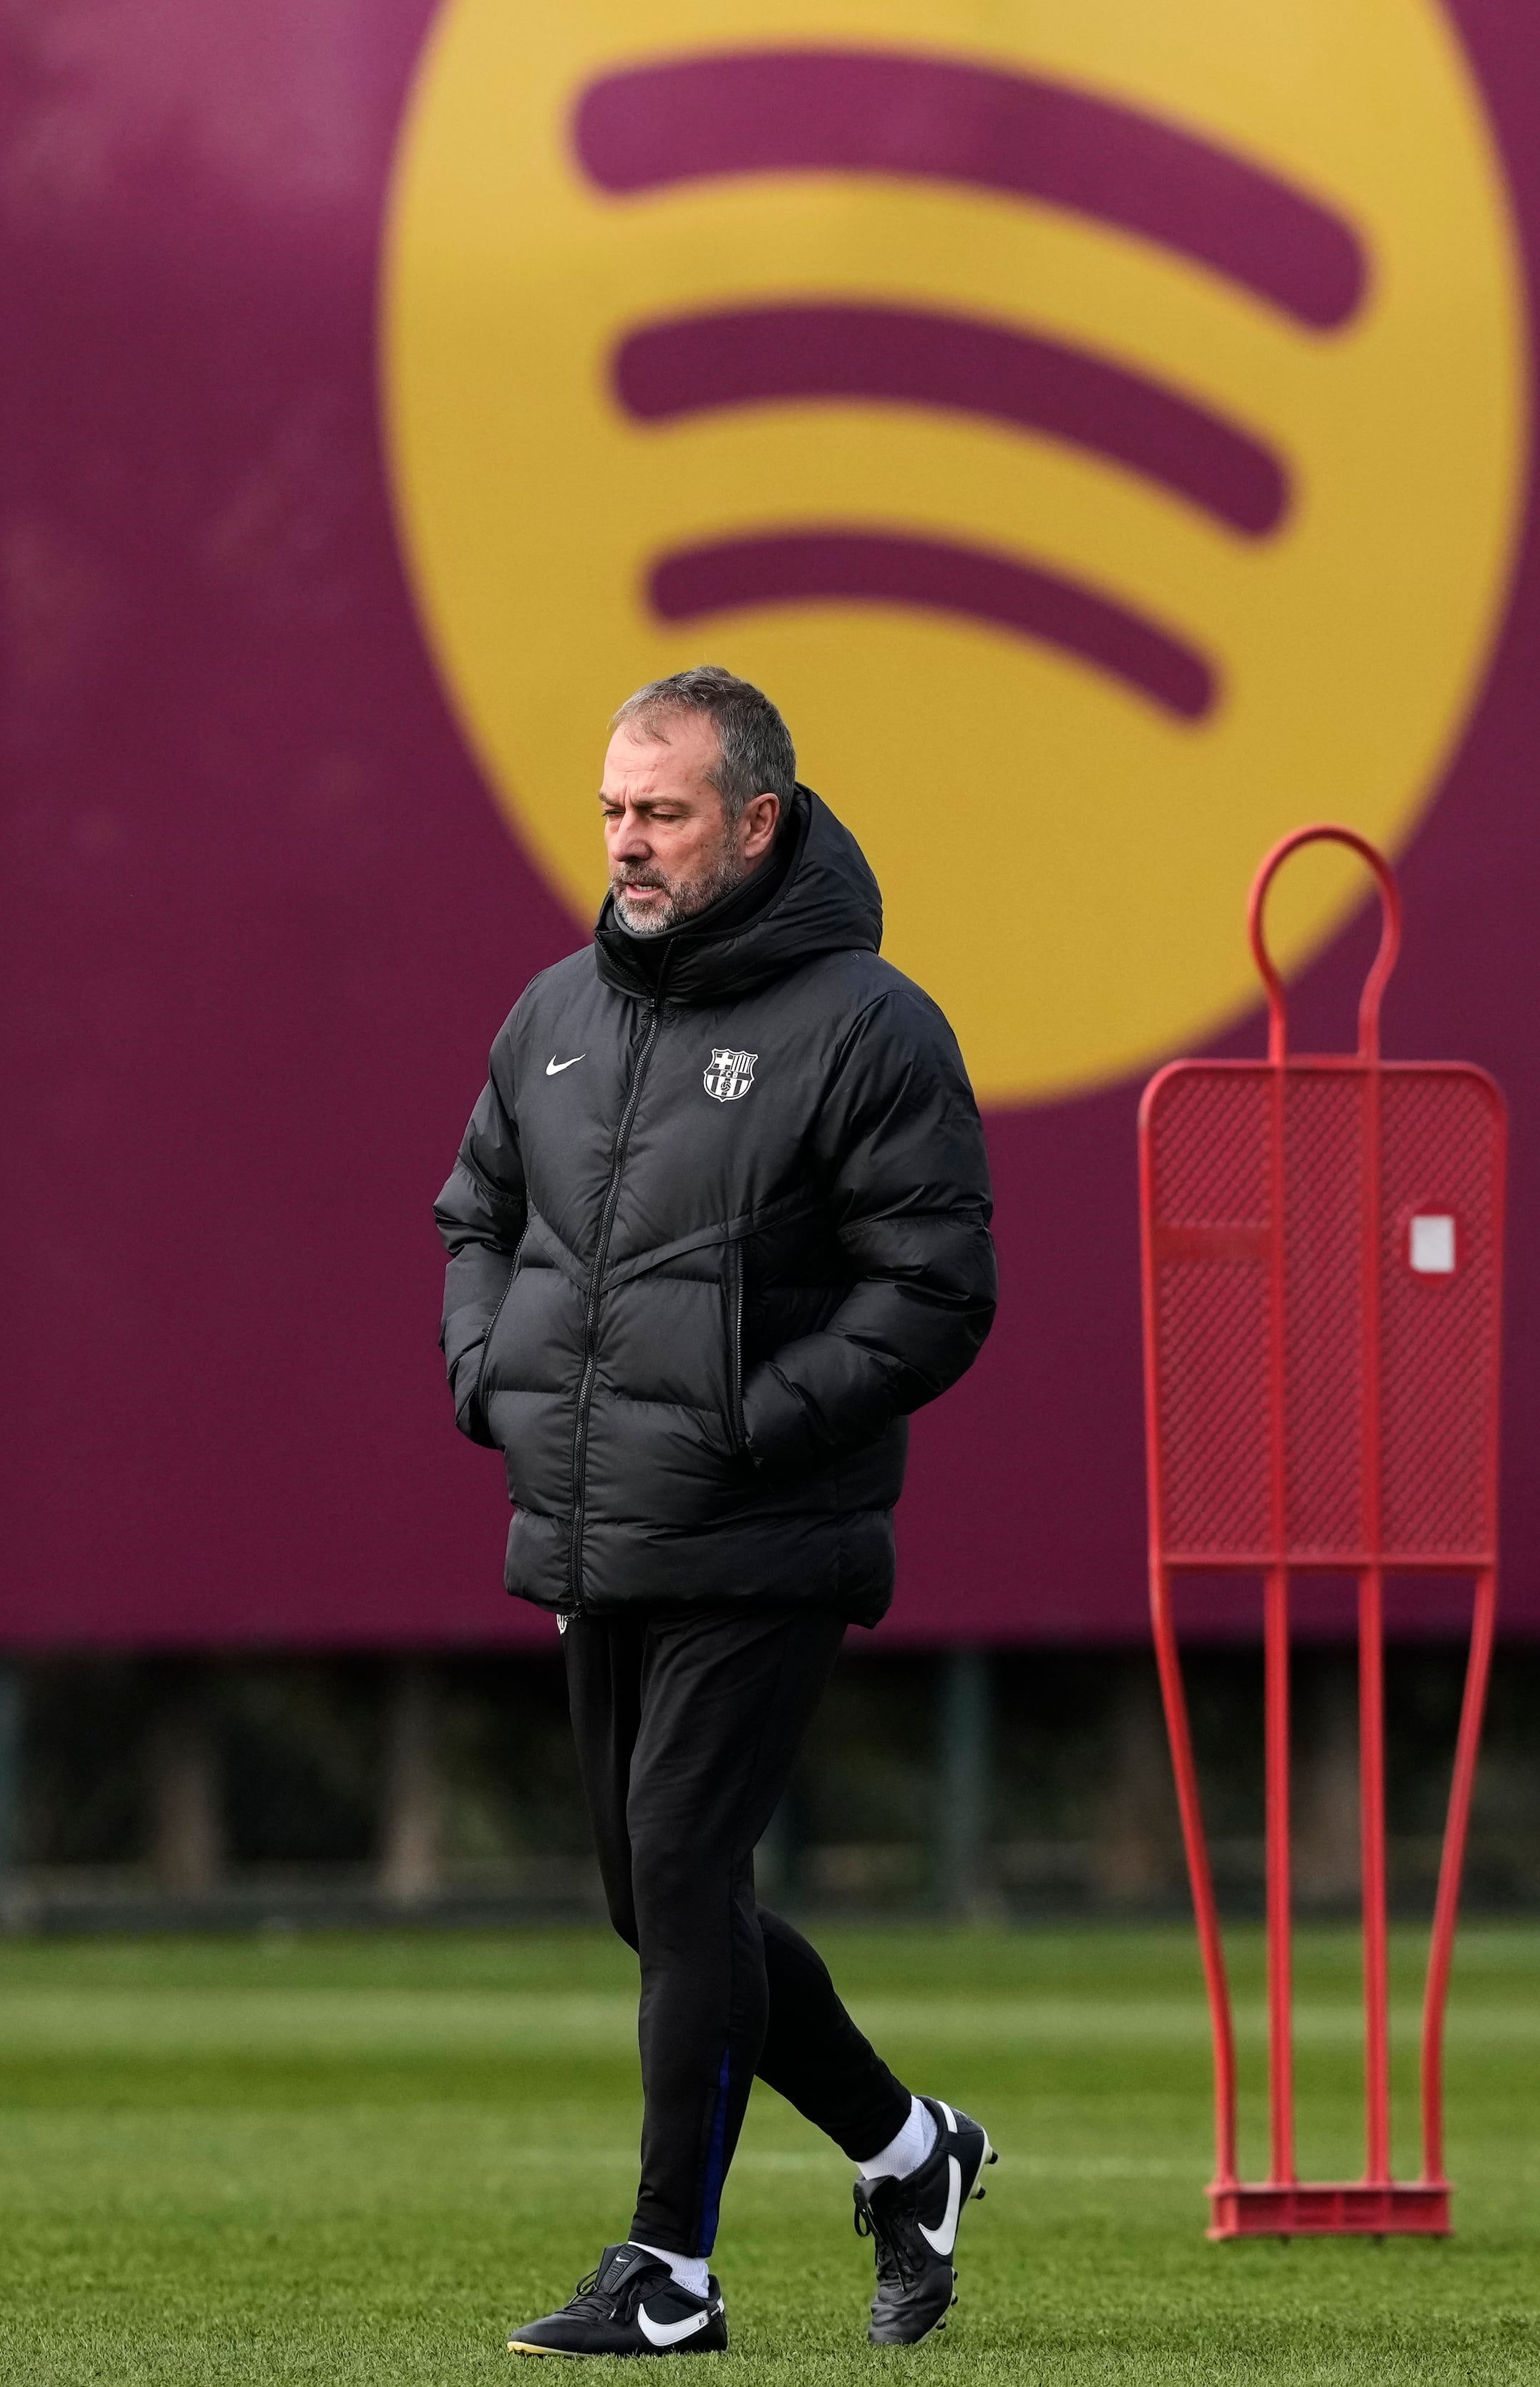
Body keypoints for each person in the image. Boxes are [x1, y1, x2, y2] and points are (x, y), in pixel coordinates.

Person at [435, 666, 1001, 2355]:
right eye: (613, 806)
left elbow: (940, 1287)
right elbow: (473, 1211)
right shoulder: (550, 1013)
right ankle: (913, 2150)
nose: (627, 840)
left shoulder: (870, 1022)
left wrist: (762, 1420)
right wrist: (488, 1375)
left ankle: (666, 2268)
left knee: (681, 1867)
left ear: (755, 823)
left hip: (765, 1530)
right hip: (598, 1521)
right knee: (661, 1901)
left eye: (662, 810)